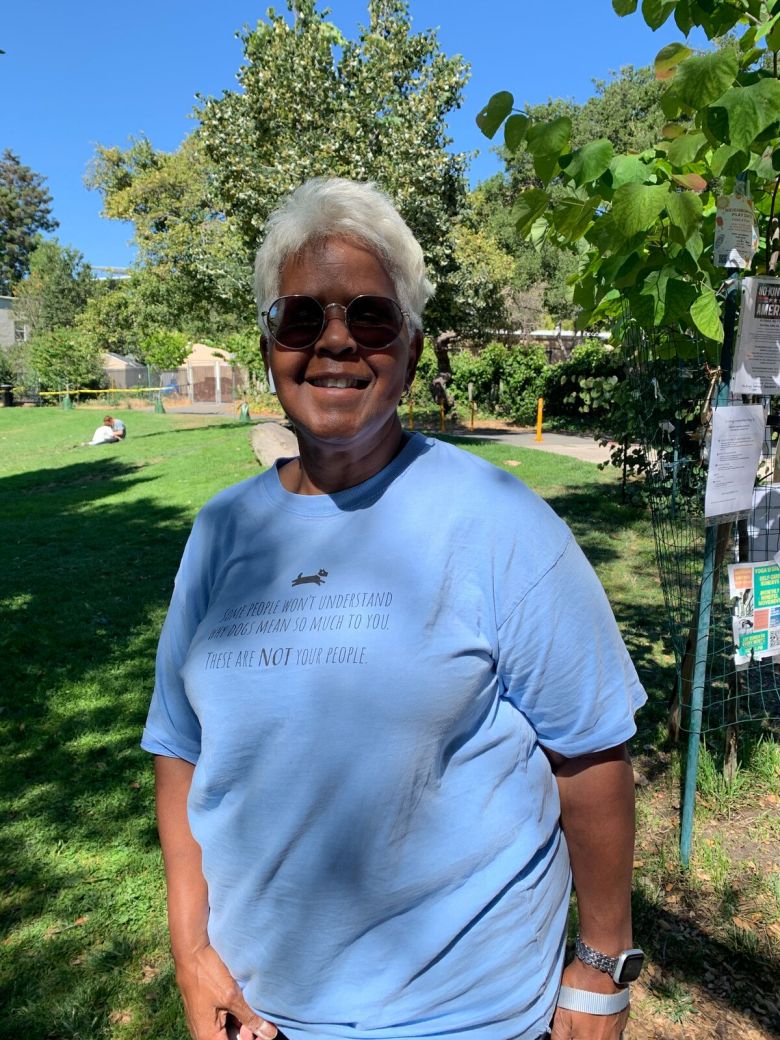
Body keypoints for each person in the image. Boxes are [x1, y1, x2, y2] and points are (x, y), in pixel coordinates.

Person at [142, 177, 647, 1040]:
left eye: (370, 318)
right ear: (269, 347)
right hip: (256, 1014)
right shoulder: (222, 533)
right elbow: (179, 749)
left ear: (410, 350)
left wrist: (601, 968)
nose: (335, 341)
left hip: (462, 1017)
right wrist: (190, 948)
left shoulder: (500, 521)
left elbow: (591, 749)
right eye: (302, 317)